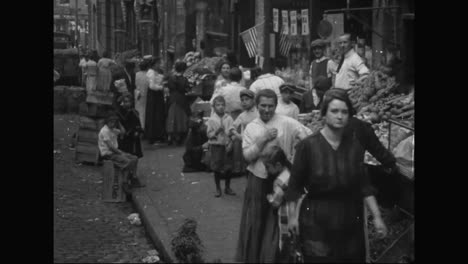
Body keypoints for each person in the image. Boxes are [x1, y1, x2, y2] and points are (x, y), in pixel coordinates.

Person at [285, 89, 388, 262]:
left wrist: (377, 217)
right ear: (324, 114)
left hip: (349, 218)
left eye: (344, 112)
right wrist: (293, 217)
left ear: (349, 116)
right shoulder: (307, 146)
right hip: (316, 217)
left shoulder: (355, 147)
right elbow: (294, 186)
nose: (340, 116)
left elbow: (364, 185)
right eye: (334, 111)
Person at [235, 89, 311, 263]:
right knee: (256, 222)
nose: (267, 110)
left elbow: (307, 137)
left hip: (281, 181)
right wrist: (262, 139)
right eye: (263, 106)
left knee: (276, 223)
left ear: (276, 106)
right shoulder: (252, 127)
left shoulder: (286, 122)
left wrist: (296, 156)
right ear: (257, 105)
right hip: (258, 180)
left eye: (270, 106)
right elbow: (247, 156)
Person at [258, 145, 293, 263]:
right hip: (294, 211)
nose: (267, 171)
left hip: (285, 214)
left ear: (277, 165)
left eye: (268, 167)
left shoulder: (280, 181)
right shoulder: (289, 173)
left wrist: (268, 197)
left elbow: (275, 202)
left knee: (283, 243)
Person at [98, 114, 139, 191]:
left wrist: (119, 123)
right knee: (128, 161)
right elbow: (110, 147)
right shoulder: (105, 131)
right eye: (111, 122)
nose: (113, 124)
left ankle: (134, 178)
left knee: (135, 158)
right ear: (107, 122)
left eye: (114, 122)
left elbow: (123, 132)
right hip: (108, 154)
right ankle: (125, 182)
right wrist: (121, 153)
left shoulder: (113, 129)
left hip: (115, 152)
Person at [206, 96, 236, 197]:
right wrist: (216, 132)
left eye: (222, 105)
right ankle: (218, 188)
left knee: (228, 167)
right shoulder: (211, 120)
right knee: (217, 167)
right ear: (214, 107)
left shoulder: (229, 118)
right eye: (218, 105)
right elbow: (209, 134)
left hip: (227, 145)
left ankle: (227, 187)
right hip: (216, 146)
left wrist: (231, 141)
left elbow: (232, 131)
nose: (221, 107)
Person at [116, 93, 145, 188]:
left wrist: (138, 130)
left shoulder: (134, 112)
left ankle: (134, 176)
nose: (126, 103)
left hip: (134, 138)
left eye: (128, 101)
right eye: (125, 101)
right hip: (124, 139)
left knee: (135, 156)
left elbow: (138, 124)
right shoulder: (119, 113)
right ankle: (126, 179)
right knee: (127, 157)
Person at [229, 89, 259, 177]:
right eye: (242, 100)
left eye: (247, 99)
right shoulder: (243, 115)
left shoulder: (257, 113)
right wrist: (234, 133)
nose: (244, 102)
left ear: (253, 100)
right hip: (245, 143)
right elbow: (233, 126)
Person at [166, 61, 191, 145]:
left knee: (172, 117)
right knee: (181, 118)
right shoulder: (184, 79)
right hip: (181, 99)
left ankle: (170, 136)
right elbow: (186, 89)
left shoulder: (171, 78)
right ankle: (179, 136)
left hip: (172, 99)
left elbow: (169, 87)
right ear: (184, 69)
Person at [145, 56, 167, 144]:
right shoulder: (151, 73)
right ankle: (153, 136)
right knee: (154, 115)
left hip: (157, 96)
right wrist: (162, 87)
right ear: (153, 65)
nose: (159, 65)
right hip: (154, 96)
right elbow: (152, 86)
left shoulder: (156, 72)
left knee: (158, 115)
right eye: (158, 63)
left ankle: (158, 134)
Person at [134, 57, 150, 129]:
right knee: (146, 112)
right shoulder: (149, 75)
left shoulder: (136, 75)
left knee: (139, 111)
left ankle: (140, 127)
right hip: (147, 95)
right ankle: (146, 127)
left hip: (138, 96)